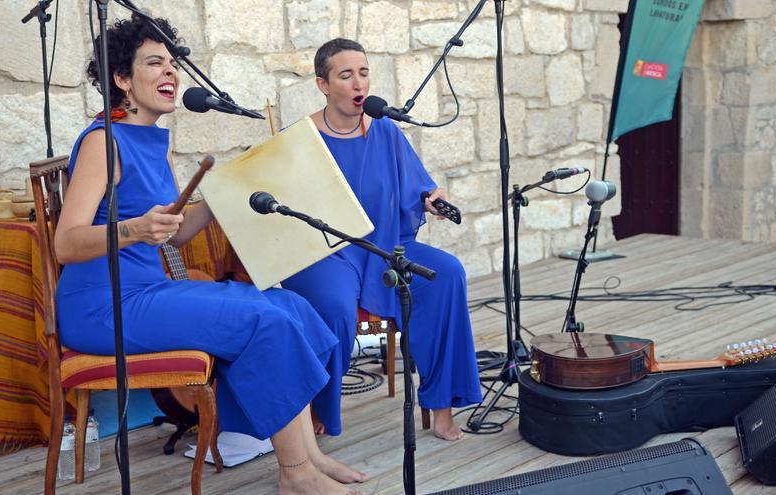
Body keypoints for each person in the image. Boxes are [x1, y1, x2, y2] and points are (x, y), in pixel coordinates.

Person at [54, 16, 367, 494]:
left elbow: (176, 235)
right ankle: (295, 474)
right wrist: (134, 229)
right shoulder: (104, 142)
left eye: (172, 64)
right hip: (103, 306)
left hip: (147, 291)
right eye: (154, 63)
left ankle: (310, 453)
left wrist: (233, 189)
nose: (170, 74)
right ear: (121, 79)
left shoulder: (151, 140)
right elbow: (66, 243)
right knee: (268, 322)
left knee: (291, 305)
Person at [281, 39, 483, 442]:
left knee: (447, 274)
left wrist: (433, 201)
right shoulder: (300, 138)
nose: (359, 83)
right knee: (335, 305)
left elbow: (421, 188)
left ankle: (440, 405)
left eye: (364, 72)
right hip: (329, 253)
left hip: (385, 247)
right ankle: (320, 409)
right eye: (345, 75)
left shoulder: (386, 131)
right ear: (323, 84)